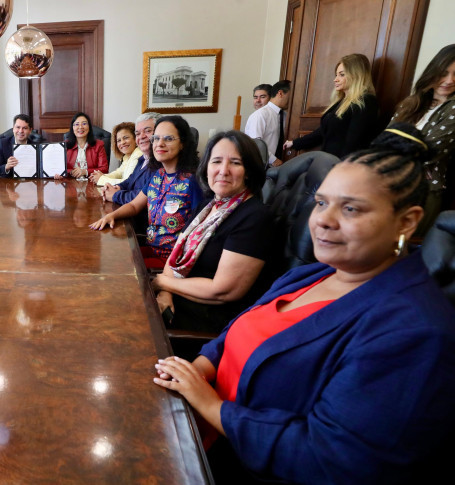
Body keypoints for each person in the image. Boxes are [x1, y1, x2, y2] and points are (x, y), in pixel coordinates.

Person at [152, 128, 455, 485]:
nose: (323, 220)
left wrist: (210, 406)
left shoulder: (416, 330)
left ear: (407, 221)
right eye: (322, 203)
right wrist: (196, 369)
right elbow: (236, 331)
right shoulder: (312, 274)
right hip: (196, 426)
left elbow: (331, 458)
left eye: (352, 208)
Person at [152, 131, 271, 337]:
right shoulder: (208, 205)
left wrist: (162, 282)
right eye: (216, 161)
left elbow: (222, 291)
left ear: (249, 171)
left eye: (235, 163)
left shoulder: (254, 217)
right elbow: (176, 255)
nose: (223, 171)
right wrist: (165, 293)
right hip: (180, 300)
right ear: (206, 167)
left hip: (210, 323)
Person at [89, 116, 203, 268]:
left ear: (183, 143)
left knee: (117, 269)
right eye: (156, 138)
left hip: (173, 260)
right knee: (109, 257)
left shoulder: (192, 181)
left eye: (168, 138)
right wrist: (111, 215)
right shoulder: (158, 174)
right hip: (152, 248)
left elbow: (199, 233)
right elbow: (135, 206)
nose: (159, 144)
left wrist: (171, 279)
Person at [391, 44, 455, 235]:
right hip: (390, 181)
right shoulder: (413, 102)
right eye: (444, 72)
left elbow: (429, 151)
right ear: (433, 71)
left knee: (400, 251)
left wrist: (390, 152)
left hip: (424, 189)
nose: (449, 80)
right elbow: (384, 138)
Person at [284, 53, 379, 158]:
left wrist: (339, 170)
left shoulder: (366, 101)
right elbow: (323, 131)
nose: (335, 79)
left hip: (341, 166)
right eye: (336, 74)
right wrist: (295, 143)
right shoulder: (342, 101)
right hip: (328, 162)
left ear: (356, 75)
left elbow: (354, 143)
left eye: (342, 75)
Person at [102, 112, 160, 205]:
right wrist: (118, 187)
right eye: (138, 133)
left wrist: (115, 195)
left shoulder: (161, 162)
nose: (141, 136)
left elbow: (144, 197)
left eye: (148, 131)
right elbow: (130, 180)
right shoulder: (143, 158)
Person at [244, 80, 291, 167]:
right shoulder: (260, 115)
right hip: (261, 166)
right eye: (255, 97)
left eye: (262, 97)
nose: (258, 100)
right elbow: (256, 144)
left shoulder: (285, 116)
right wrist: (274, 160)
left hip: (280, 165)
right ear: (280, 94)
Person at [89, 122, 143, 186]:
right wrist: (102, 176)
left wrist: (101, 179)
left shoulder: (138, 155)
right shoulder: (127, 156)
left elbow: (128, 183)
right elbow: (119, 173)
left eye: (126, 138)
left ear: (135, 139)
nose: (122, 142)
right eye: (119, 140)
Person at [57, 112, 108, 179]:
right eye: (77, 124)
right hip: (70, 183)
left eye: (84, 124)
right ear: (73, 128)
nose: (80, 127)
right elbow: (58, 168)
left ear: (89, 127)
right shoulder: (64, 146)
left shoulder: (99, 145)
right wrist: (71, 172)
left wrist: (85, 171)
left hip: (91, 182)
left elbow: (104, 169)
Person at [0, 114, 42, 178]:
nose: (21, 131)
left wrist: (54, 174)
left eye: (25, 128)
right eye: (18, 127)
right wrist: (6, 167)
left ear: (30, 131)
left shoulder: (37, 146)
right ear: (13, 129)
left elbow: (42, 169)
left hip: (31, 184)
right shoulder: (3, 144)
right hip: (9, 185)